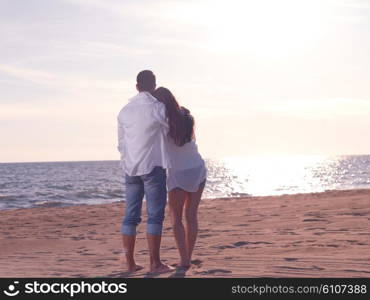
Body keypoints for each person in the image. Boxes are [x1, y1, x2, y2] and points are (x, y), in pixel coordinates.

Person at [117, 71, 172, 274]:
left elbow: (121, 143)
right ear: (154, 86)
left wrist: (127, 162)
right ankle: (155, 264)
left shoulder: (124, 111)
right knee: (155, 216)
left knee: (130, 217)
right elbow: (170, 131)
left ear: (137, 86)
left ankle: (130, 264)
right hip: (153, 166)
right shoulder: (158, 108)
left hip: (130, 168)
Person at [152, 87, 207, 269]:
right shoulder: (186, 115)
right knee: (191, 215)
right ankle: (187, 258)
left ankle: (184, 261)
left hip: (179, 172)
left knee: (176, 218)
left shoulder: (161, 121)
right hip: (198, 168)